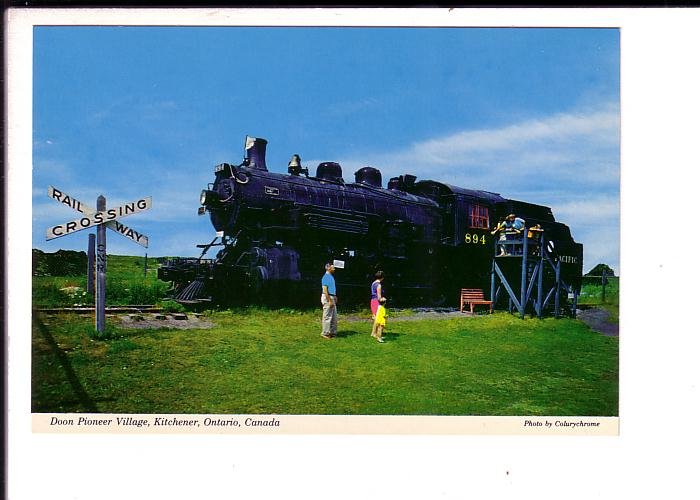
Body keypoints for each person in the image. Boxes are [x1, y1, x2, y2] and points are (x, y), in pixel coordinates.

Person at [320, 263, 338, 339]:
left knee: (334, 315)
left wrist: (335, 296)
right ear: (328, 268)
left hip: (332, 296)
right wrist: (329, 300)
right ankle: (325, 333)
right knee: (327, 316)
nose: (334, 269)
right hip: (328, 297)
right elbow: (325, 290)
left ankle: (332, 332)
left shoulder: (331, 277)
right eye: (333, 267)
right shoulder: (326, 277)